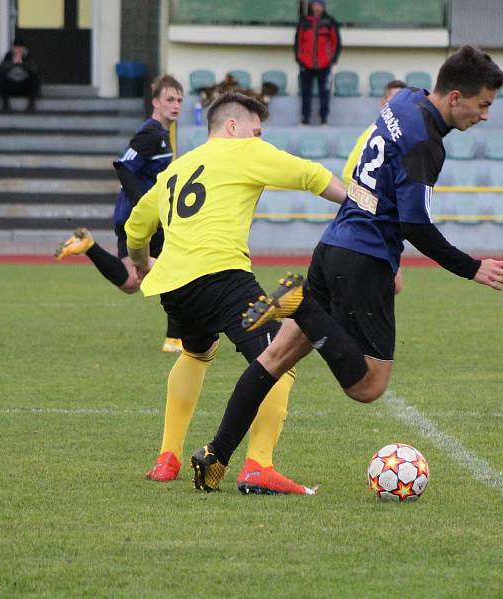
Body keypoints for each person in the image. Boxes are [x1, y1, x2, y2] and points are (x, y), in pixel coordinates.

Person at [190, 46, 503, 493]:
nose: (485, 116)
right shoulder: (427, 143)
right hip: (365, 259)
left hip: (333, 246)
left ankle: (215, 455)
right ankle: (300, 304)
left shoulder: (402, 102)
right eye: (484, 105)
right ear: (456, 96)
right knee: (369, 385)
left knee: (275, 357)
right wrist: (471, 267)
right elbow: (416, 224)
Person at [124, 92, 347, 495]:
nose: (259, 139)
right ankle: (259, 465)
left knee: (195, 352)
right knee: (280, 356)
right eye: (255, 131)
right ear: (232, 127)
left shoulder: (177, 168)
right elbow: (311, 175)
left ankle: (167, 457)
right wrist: (363, 206)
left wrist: (141, 263)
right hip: (222, 277)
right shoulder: (243, 151)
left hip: (174, 287)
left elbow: (136, 224)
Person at [55, 75, 186, 354]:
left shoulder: (161, 135)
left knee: (130, 282)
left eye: (179, 100)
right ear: (155, 102)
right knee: (175, 271)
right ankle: (175, 339)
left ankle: (88, 244)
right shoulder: (151, 133)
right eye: (169, 100)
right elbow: (124, 166)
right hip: (140, 219)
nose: (175, 105)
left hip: (131, 217)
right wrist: (144, 205)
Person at [342, 79, 408, 295]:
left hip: (385, 222)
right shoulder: (376, 132)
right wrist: (370, 204)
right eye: (394, 100)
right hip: (371, 221)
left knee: (391, 283)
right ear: (383, 104)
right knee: (388, 282)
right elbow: (348, 174)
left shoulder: (401, 136)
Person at [295, 0, 341, 126]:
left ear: (323, 6)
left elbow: (336, 41)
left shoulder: (330, 22)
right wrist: (299, 59)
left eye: (319, 5)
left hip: (324, 64)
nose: (317, 7)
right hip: (306, 63)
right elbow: (298, 41)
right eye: (314, 4)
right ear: (311, 6)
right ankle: (305, 119)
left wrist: (332, 59)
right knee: (305, 92)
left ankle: (324, 119)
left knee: (324, 93)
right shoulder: (304, 22)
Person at [0, 37, 40, 112]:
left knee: (35, 78)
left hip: (24, 87)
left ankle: (31, 105)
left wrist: (23, 64)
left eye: (20, 48)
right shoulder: (8, 56)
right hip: (11, 86)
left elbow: (34, 70)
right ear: (13, 48)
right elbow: (1, 69)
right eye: (16, 48)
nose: (18, 50)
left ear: (23, 48)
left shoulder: (28, 56)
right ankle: (5, 105)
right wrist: (12, 63)